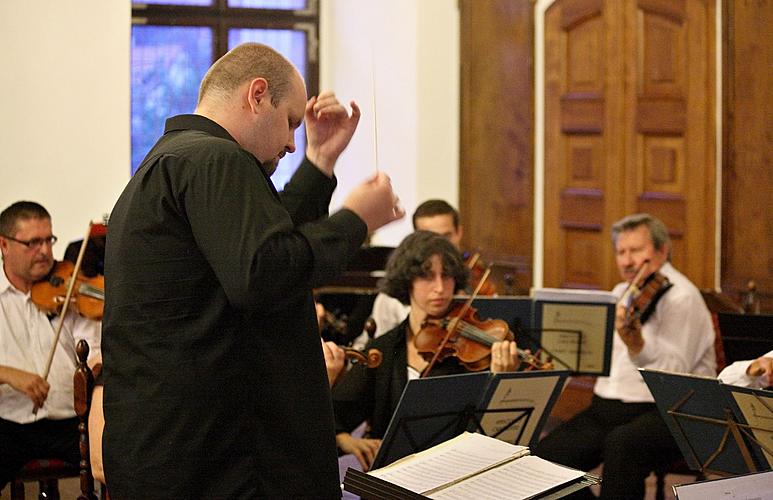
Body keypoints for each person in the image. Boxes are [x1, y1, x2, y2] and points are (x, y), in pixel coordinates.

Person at [101, 42, 403, 498]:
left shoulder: (179, 157)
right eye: (290, 123)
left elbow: (261, 241)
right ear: (257, 95)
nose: (289, 142)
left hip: (177, 452)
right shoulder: (216, 159)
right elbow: (265, 272)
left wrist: (320, 163)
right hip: (216, 463)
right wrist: (356, 220)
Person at [534, 213, 717, 499]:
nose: (627, 261)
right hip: (610, 406)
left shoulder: (682, 297)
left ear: (662, 250)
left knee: (622, 446)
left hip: (669, 411)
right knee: (543, 460)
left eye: (636, 251)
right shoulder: (622, 292)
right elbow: (606, 363)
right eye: (621, 252)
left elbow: (675, 374)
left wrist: (637, 346)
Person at [332, 230, 520, 470]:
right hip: (397, 475)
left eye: (447, 275)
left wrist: (500, 380)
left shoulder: (471, 350)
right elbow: (334, 416)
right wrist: (345, 439)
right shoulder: (384, 351)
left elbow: (496, 428)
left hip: (462, 469)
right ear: (407, 280)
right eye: (427, 277)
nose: (440, 288)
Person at [0, 201, 101, 491]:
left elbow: (92, 349)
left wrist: (94, 371)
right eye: (32, 242)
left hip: (71, 422)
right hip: (8, 424)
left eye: (48, 239)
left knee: (123, 459)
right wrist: (8, 374)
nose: (45, 251)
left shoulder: (70, 288)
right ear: (4, 245)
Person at [352, 199, 465, 350]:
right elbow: (370, 347)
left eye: (445, 238)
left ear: (459, 233)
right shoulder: (390, 301)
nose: (439, 287)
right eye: (428, 237)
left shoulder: (478, 283)